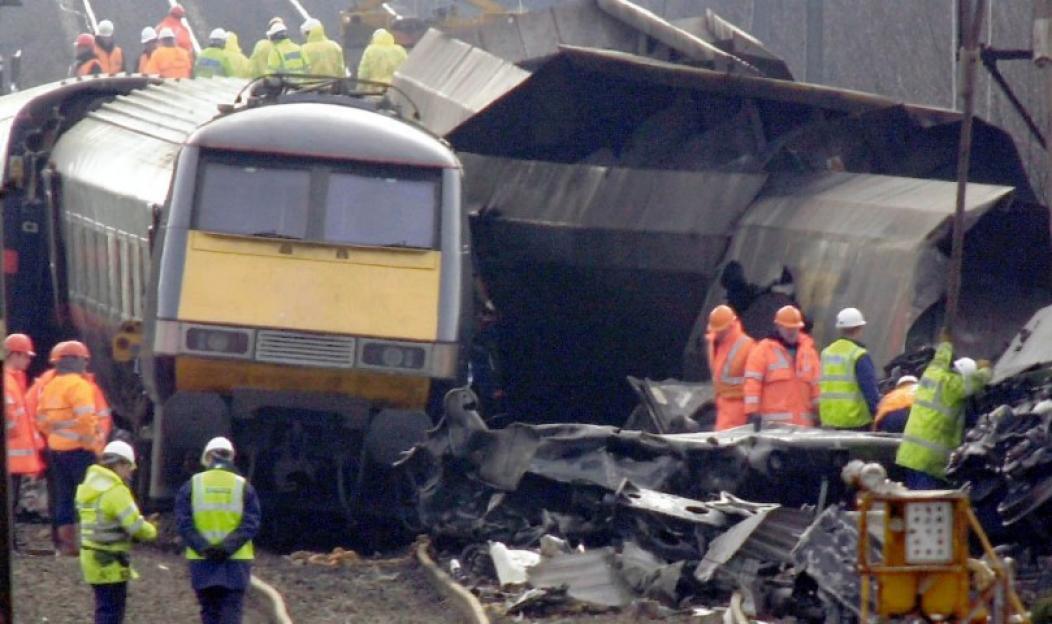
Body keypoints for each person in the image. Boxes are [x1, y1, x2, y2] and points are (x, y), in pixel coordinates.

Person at [176, 437, 261, 624]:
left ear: (207, 458)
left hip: (202, 560)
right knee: (231, 611)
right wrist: (227, 548)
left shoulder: (192, 485)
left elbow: (184, 523)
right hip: (236, 562)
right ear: (231, 457)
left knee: (209, 611)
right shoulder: (243, 486)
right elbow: (251, 523)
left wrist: (204, 547)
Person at [76, 440, 156, 624]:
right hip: (110, 560)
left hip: (90, 557)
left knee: (103, 607)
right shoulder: (116, 490)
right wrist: (152, 530)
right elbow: (135, 526)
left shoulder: (88, 486)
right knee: (112, 612)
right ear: (119, 464)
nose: (130, 473)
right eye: (129, 467)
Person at [895, 336, 992, 489]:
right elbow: (976, 381)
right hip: (929, 460)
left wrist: (946, 343)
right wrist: (986, 369)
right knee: (926, 501)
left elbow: (940, 358)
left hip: (909, 453)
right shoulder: (953, 386)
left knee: (913, 499)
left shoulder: (933, 372)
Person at [35, 340, 99, 555]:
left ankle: (67, 546)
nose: (86, 364)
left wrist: (58, 430)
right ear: (77, 361)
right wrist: (89, 443)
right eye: (84, 360)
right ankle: (90, 543)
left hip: (56, 451)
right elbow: (86, 419)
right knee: (89, 497)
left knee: (64, 497)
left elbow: (42, 422)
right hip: (81, 451)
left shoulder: (50, 386)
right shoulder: (79, 385)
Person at [743, 305, 820, 428]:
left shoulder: (809, 352)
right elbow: (753, 382)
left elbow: (816, 386)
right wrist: (752, 412)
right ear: (778, 326)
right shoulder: (763, 350)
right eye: (787, 328)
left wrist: (820, 413)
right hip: (774, 428)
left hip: (804, 428)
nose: (791, 332)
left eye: (794, 328)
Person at [5, 334, 45, 525]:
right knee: (9, 503)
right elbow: (10, 420)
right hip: (11, 456)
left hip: (14, 458)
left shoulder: (15, 380)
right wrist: (14, 435)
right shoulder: (8, 382)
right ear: (15, 355)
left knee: (11, 503)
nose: (29, 361)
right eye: (27, 356)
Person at [818, 307, 880, 430]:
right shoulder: (858, 354)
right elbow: (869, 390)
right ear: (859, 328)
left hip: (829, 421)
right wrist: (877, 415)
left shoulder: (826, 353)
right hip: (855, 422)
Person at [705, 305, 755, 430]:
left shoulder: (748, 346)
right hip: (722, 405)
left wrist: (753, 409)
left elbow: (756, 381)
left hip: (738, 407)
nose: (717, 333)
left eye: (720, 330)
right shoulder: (714, 343)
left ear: (730, 326)